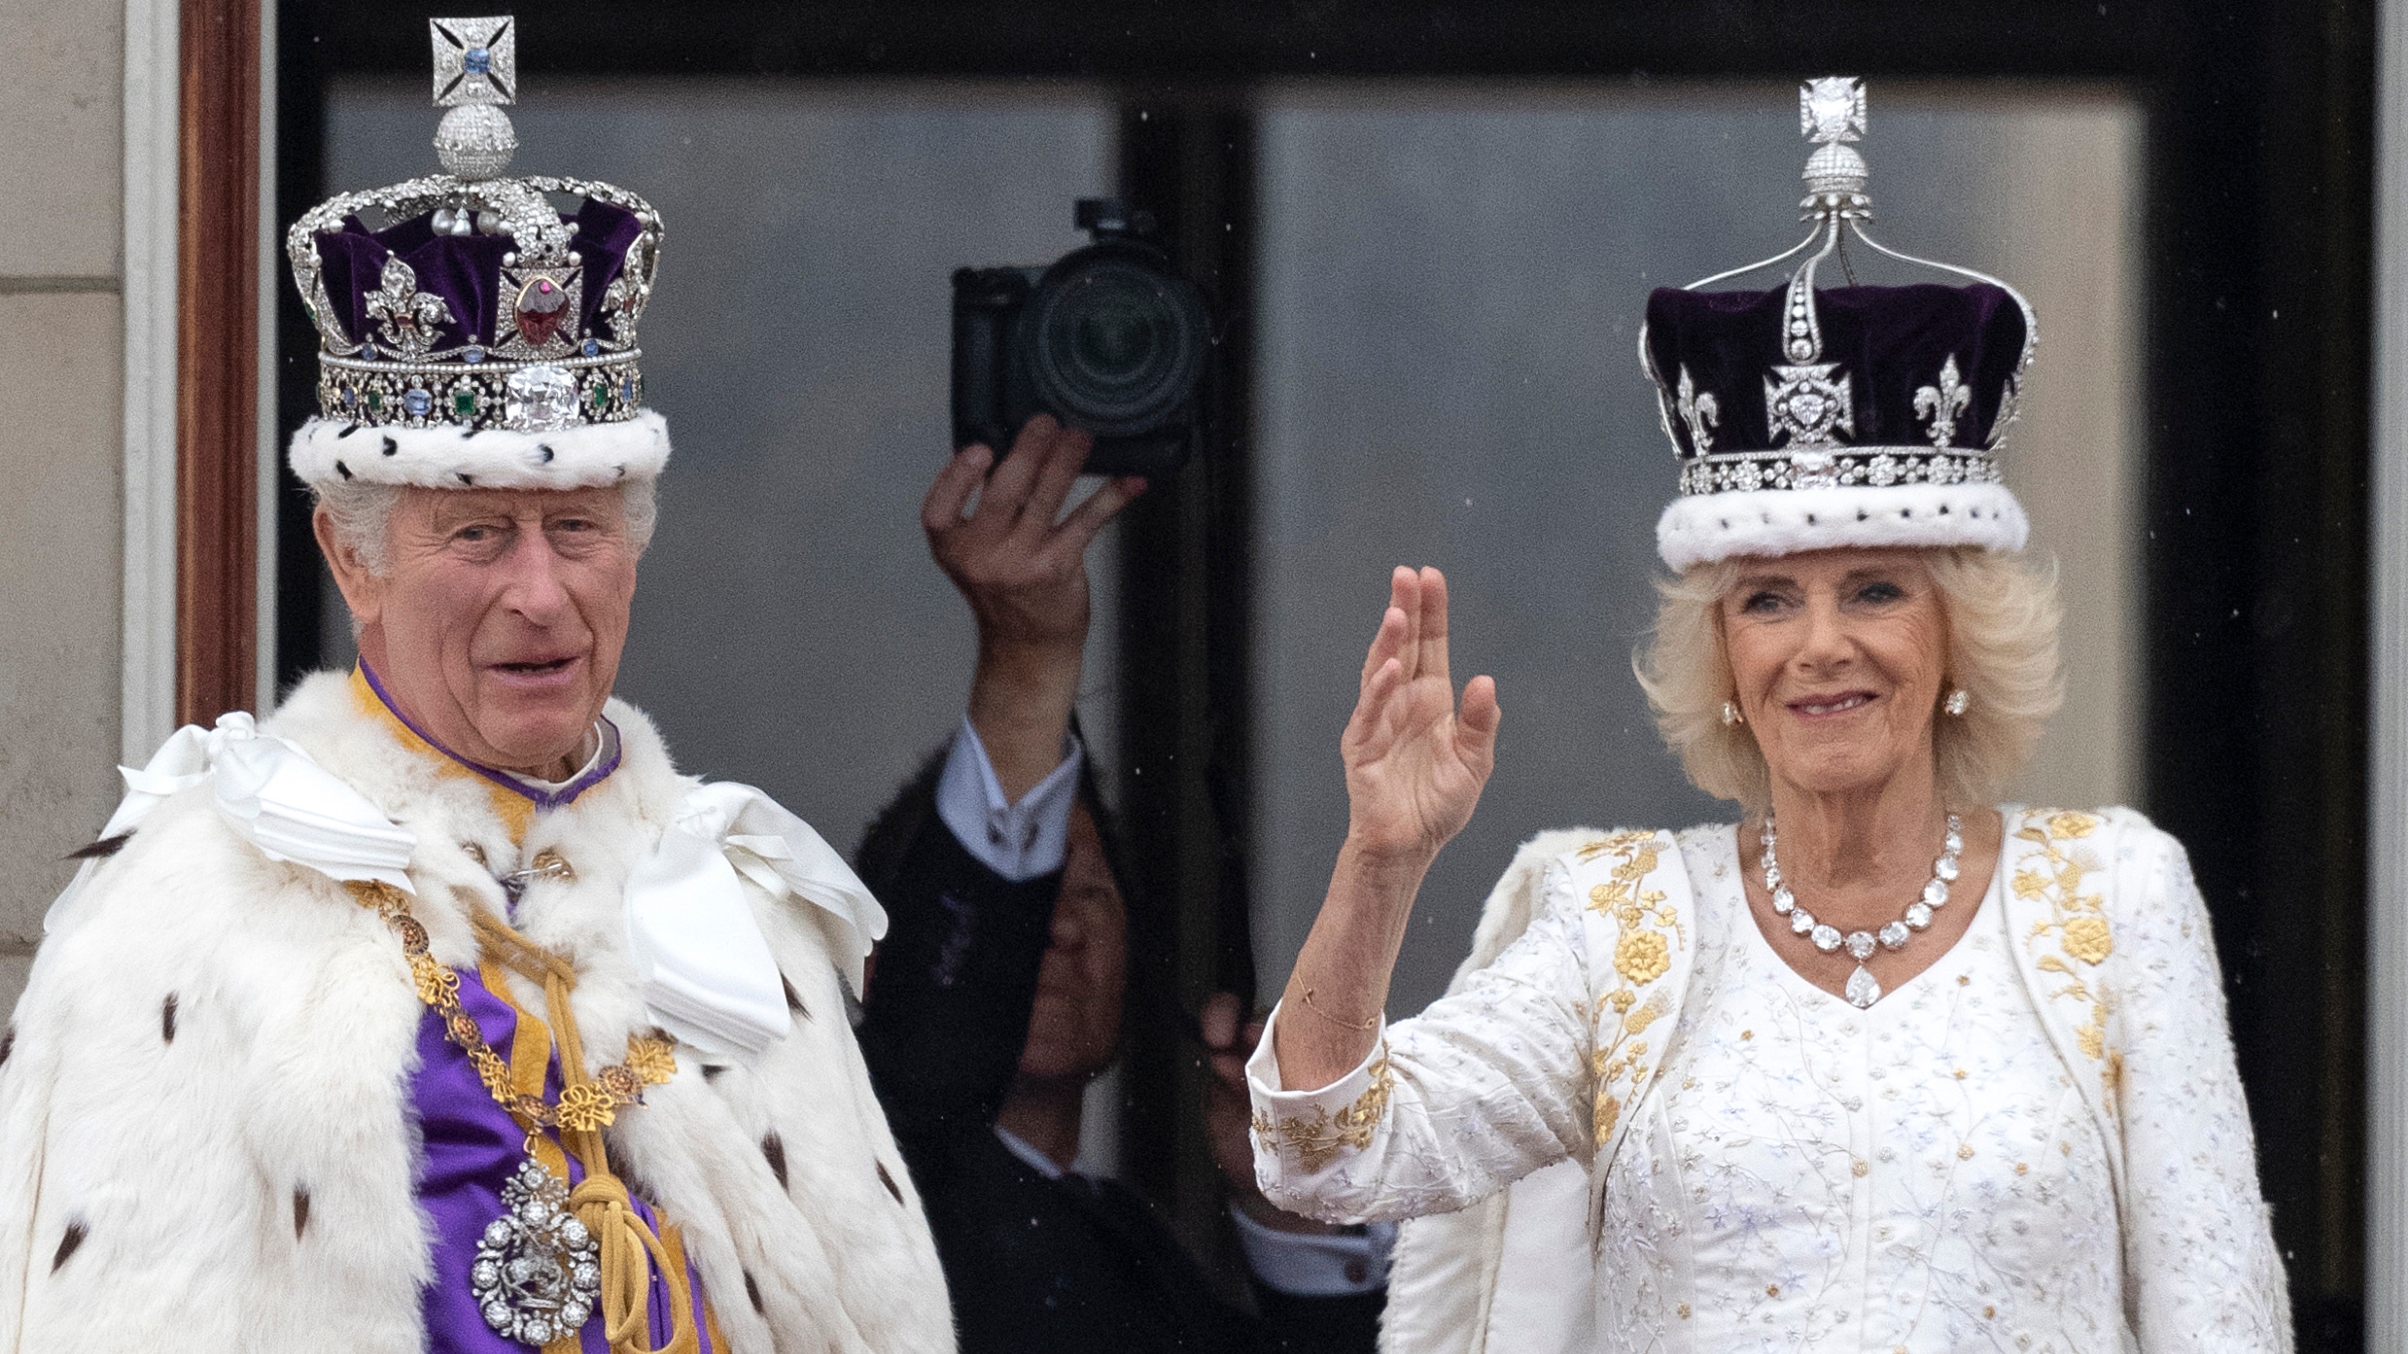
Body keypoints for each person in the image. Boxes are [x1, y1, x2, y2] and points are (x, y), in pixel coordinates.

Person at [1245, 79, 2292, 1354]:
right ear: (1722, 657)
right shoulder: (1614, 924)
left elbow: (2220, 1310)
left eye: (1872, 589)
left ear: (1956, 629)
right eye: (1765, 601)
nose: (1818, 645)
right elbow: (1323, 1160)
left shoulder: (2115, 899)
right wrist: (1379, 862)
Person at [0, 26, 950, 1353]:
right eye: (478, 534)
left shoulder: (739, 910)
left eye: (579, 528)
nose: (542, 593)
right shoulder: (184, 909)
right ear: (352, 557)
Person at [855, 416, 1390, 1353]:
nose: (1059, 931)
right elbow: (933, 1066)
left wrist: (1297, 1209)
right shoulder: (868, 1188)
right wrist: (1027, 664)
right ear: (887, 962)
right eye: (1029, 892)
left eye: (1090, 897)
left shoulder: (1136, 1248)